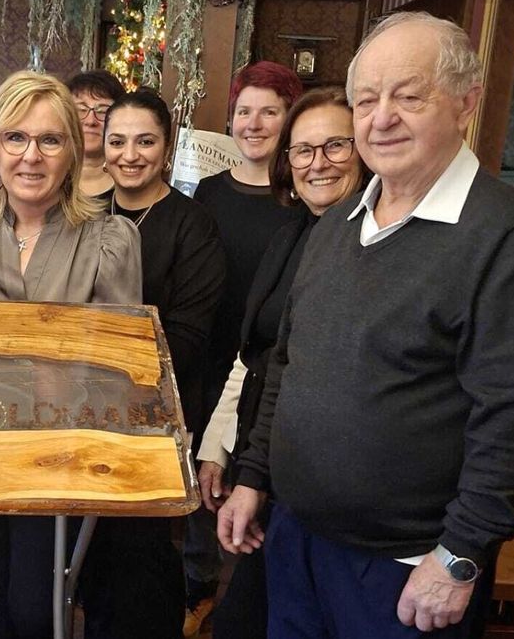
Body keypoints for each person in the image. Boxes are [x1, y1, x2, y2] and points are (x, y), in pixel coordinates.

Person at [219, 12, 514, 639]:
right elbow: (288, 370)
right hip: (297, 536)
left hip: (410, 566)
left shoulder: (509, 237)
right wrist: (254, 478)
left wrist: (460, 555)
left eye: (409, 96)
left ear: (466, 102)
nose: (382, 118)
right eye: (367, 100)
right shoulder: (336, 224)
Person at [0, 70, 142, 639]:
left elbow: (120, 366)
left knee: (36, 612)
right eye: (15, 138)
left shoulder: (110, 238)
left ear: (73, 148)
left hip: (60, 456)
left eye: (49, 139)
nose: (30, 156)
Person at [195, 86, 368, 639]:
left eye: (334, 147)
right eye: (302, 150)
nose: (317, 164)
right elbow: (257, 355)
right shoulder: (290, 234)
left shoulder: (371, 248)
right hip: (266, 459)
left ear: (363, 150)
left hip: (318, 480)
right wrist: (221, 445)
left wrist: (256, 475)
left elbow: (307, 375)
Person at [76, 87, 225, 639]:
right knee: (87, 554)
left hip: (155, 415)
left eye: (145, 142)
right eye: (117, 141)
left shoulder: (193, 224)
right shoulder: (84, 215)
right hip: (81, 412)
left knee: (140, 558)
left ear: (166, 149)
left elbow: (189, 334)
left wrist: (111, 364)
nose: (129, 154)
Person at [186, 61, 304, 633]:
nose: (254, 123)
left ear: (289, 120)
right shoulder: (208, 193)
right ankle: (199, 586)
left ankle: (251, 591)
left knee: (254, 478)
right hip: (211, 355)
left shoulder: (303, 199)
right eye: (244, 111)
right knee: (200, 479)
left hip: (268, 361)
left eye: (269, 112)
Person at [66, 70, 125, 197]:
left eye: (102, 111)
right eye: (81, 110)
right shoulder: (50, 179)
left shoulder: (130, 182)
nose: (90, 121)